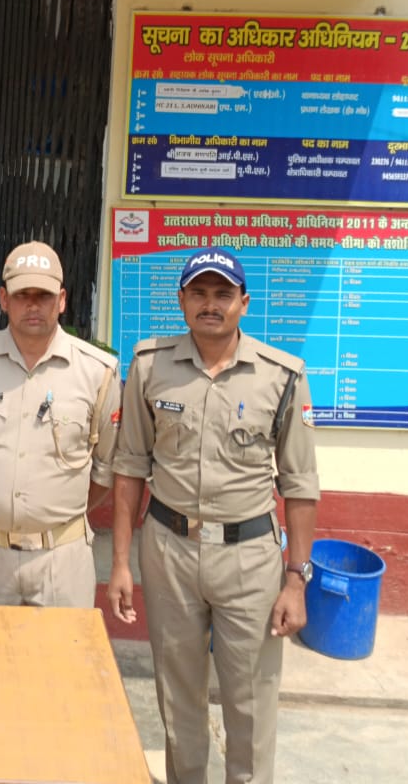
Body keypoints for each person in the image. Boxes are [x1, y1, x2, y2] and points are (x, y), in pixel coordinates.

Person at [107, 247, 320, 784]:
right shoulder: (150, 366)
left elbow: (299, 485)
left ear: (243, 303)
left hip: (249, 560)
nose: (210, 304)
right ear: (181, 300)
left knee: (250, 703)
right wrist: (120, 563)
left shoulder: (282, 375)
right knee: (177, 695)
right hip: (169, 551)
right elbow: (129, 467)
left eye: (223, 294)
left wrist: (296, 581)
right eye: (199, 293)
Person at [0, 241, 119, 607]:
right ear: (3, 299)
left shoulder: (97, 372)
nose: (33, 305)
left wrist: (50, 517)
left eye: (43, 296)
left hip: (63, 559)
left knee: (64, 648)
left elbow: (105, 469)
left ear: (62, 300)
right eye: (22, 295)